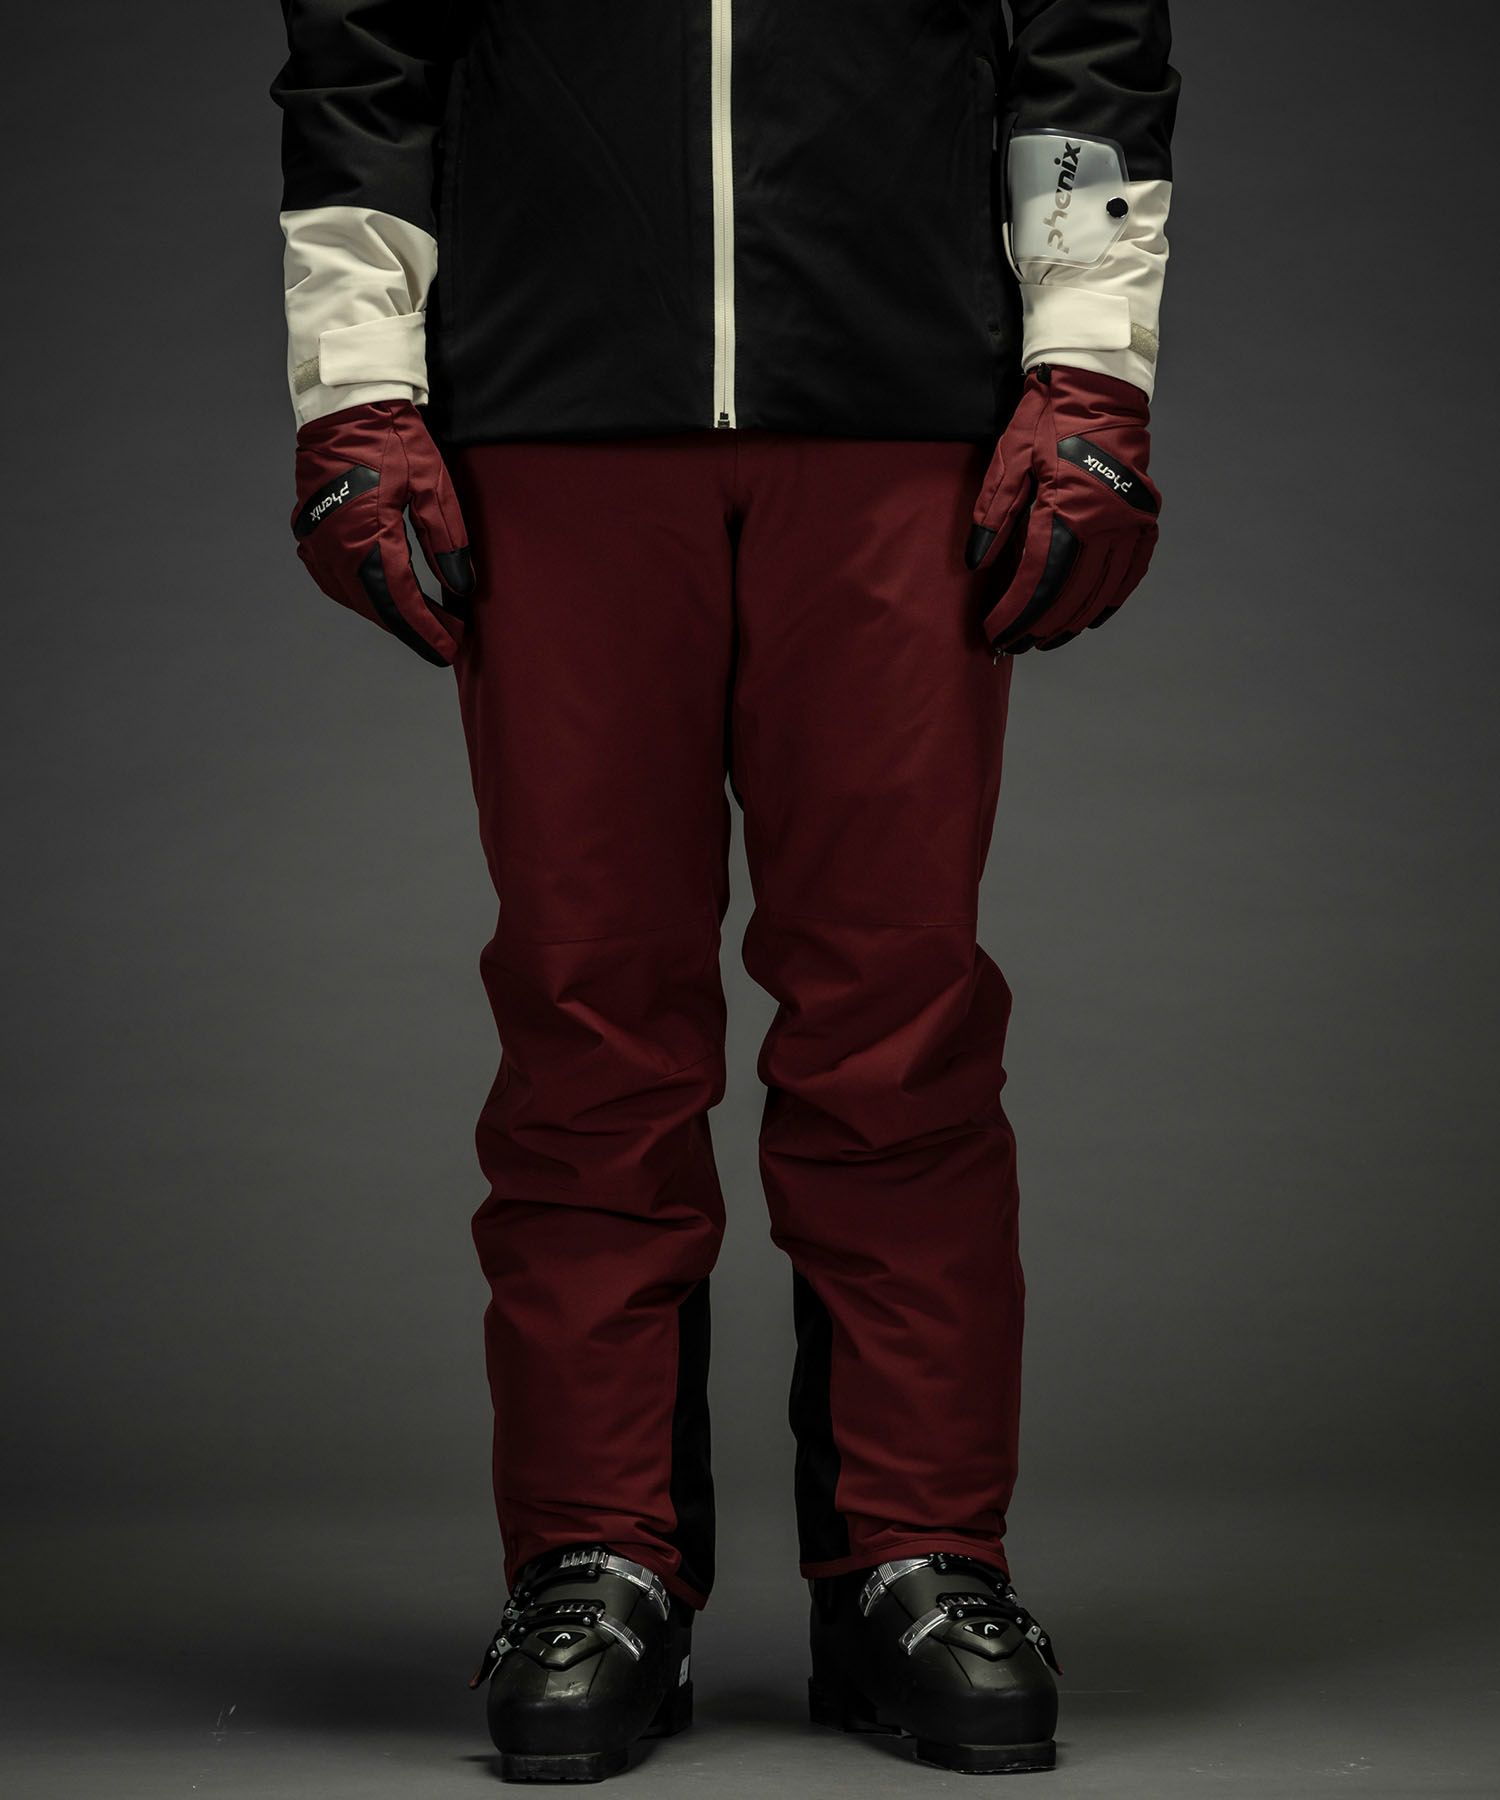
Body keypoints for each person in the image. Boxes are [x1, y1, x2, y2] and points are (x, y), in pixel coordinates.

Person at [272, 0, 1178, 1780]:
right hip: (553, 411)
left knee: (899, 1017)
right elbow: (363, 51)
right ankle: (595, 1562)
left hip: (901, 406)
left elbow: (1089, 38)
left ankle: (918, 1559)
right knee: (587, 1016)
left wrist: (1090, 364)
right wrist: (357, 384)